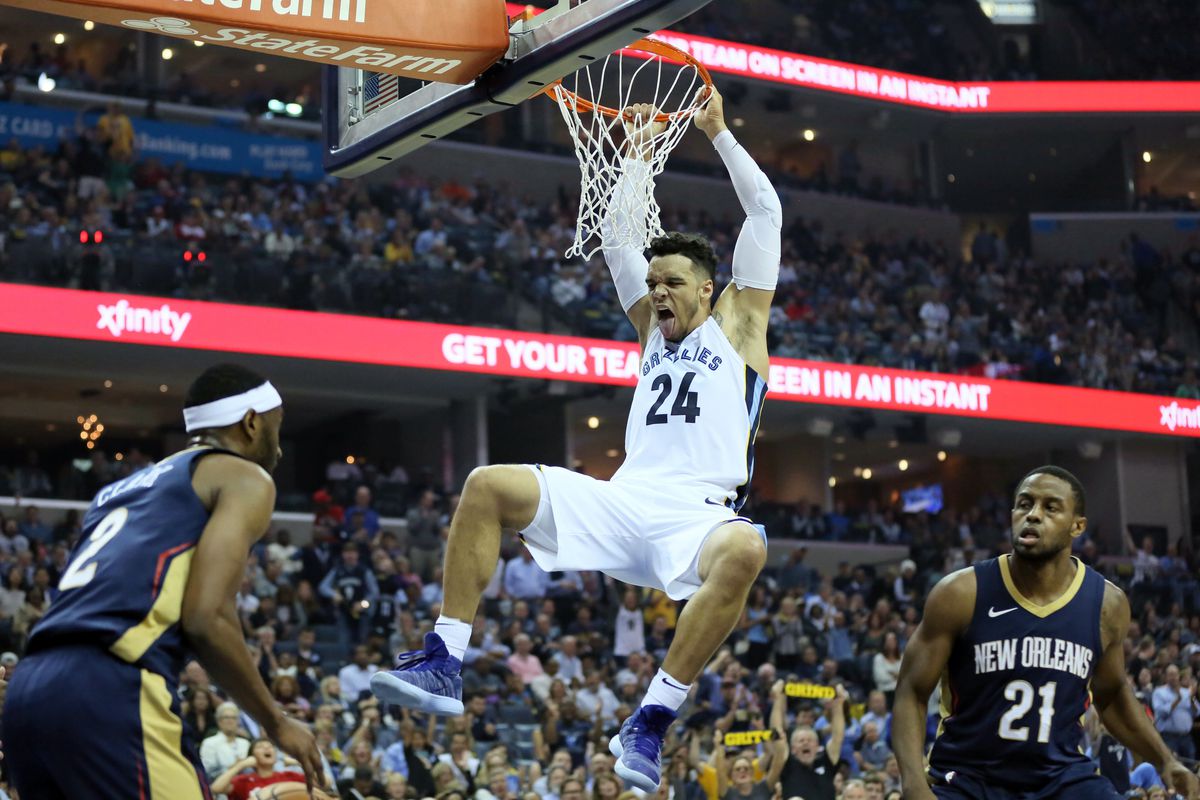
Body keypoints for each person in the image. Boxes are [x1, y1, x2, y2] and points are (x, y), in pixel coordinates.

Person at [371, 82, 780, 794]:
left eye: (673, 282)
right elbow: (618, 239)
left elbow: (766, 211)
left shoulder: (741, 326)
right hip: (624, 501)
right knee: (486, 486)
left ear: (707, 290)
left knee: (747, 548)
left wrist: (717, 132)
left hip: (698, 517)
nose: (657, 291)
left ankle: (651, 719)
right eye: (653, 282)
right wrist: (636, 156)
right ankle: (444, 657)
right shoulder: (650, 331)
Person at [2, 364, 324, 798]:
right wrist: (276, 721)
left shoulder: (116, 491)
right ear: (251, 422)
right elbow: (207, 617)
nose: (279, 449)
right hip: (110, 685)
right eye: (276, 427)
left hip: (29, 688)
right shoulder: (242, 476)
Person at [893, 465, 1199, 800]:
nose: (1033, 515)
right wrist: (913, 785)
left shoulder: (1107, 604)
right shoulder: (961, 593)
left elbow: (1111, 695)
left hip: (1062, 779)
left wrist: (1166, 760)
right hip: (969, 778)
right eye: (1024, 504)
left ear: (1077, 526)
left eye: (1050, 507)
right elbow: (911, 690)